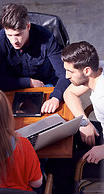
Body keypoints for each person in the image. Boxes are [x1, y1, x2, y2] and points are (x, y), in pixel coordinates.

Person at [0, 3, 70, 113]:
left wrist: (55, 97)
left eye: (18, 34)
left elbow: (65, 74)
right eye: (9, 35)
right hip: (12, 87)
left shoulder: (46, 38)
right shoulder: (0, 39)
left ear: (28, 26)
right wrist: (28, 82)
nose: (14, 41)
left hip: (45, 85)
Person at [45, 41, 104, 194]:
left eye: (70, 72)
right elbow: (69, 93)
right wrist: (84, 122)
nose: (66, 76)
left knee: (56, 165)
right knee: (63, 135)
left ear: (86, 70)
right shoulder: (98, 70)